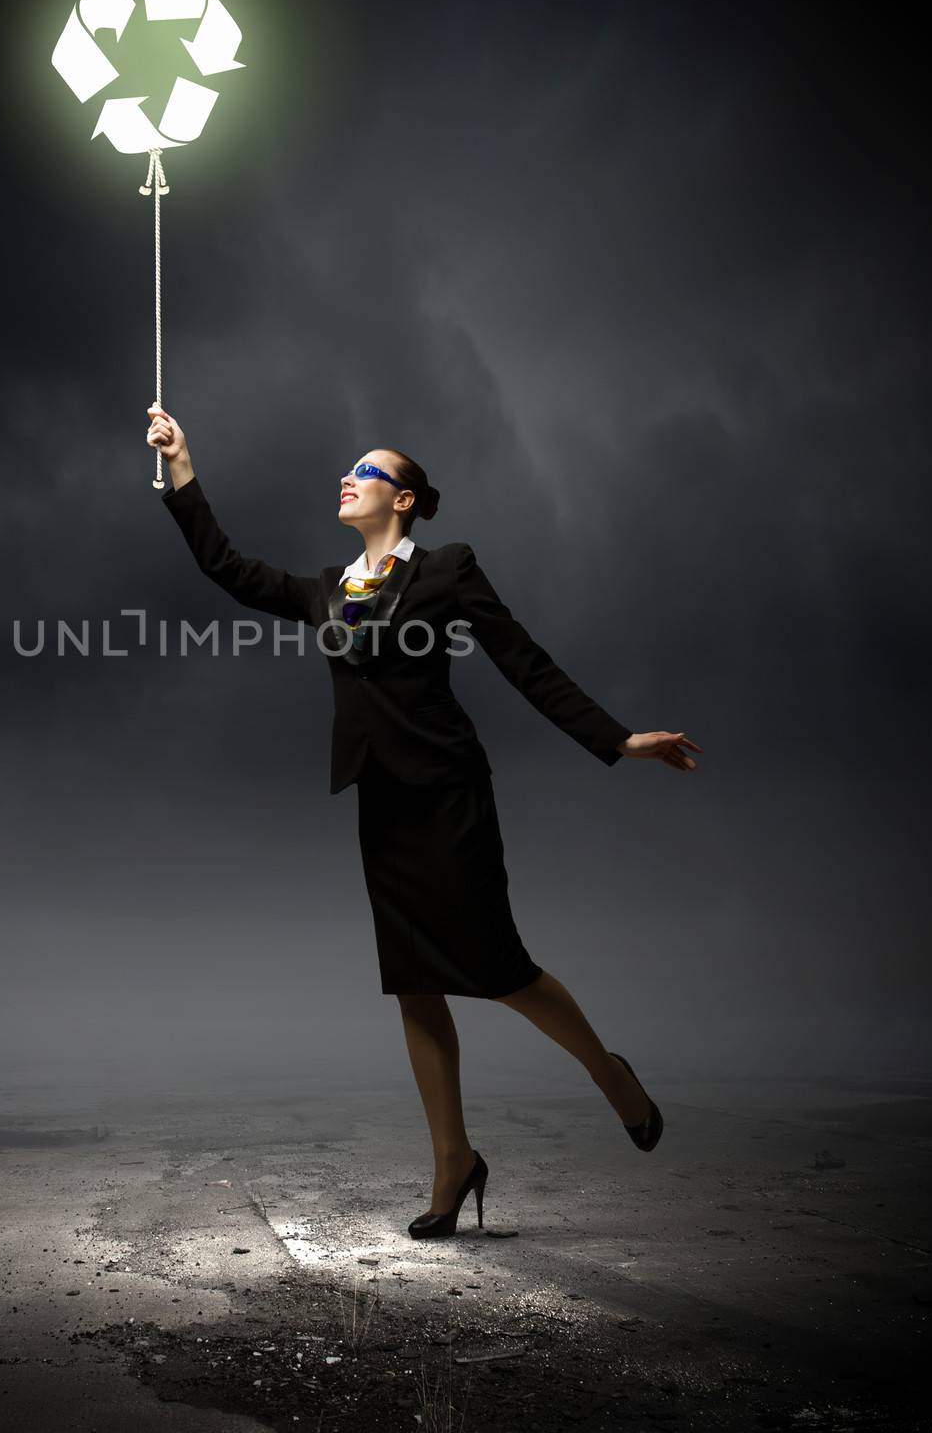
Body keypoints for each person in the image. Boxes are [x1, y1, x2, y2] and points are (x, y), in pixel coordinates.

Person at [146, 404, 701, 1239]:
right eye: (350, 469)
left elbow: (524, 661)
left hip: (448, 793)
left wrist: (618, 740)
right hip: (383, 804)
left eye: (366, 471)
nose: (349, 477)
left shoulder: (446, 569)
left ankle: (611, 1076)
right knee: (414, 980)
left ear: (403, 500)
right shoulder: (327, 590)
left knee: (500, 967)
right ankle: (453, 1160)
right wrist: (182, 467)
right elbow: (227, 568)